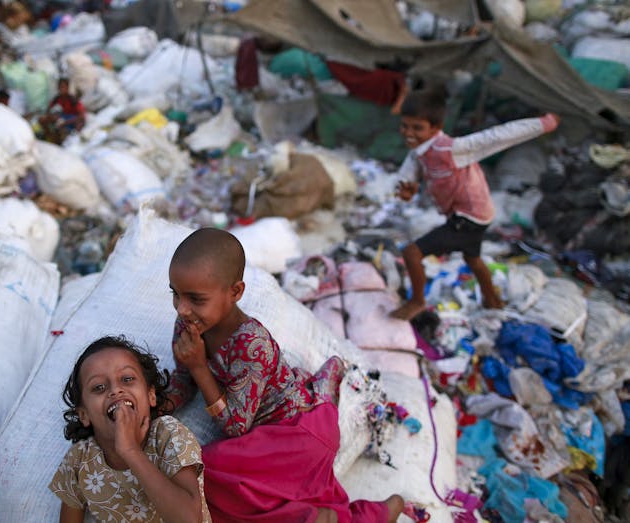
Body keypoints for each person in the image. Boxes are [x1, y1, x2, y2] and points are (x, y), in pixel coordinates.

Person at [163, 228, 404, 523]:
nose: (182, 309)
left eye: (195, 299)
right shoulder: (188, 324)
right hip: (261, 441)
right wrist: (155, 408)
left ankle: (366, 516)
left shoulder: (251, 344)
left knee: (207, 470)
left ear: (236, 292)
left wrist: (200, 366)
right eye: (175, 294)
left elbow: (236, 426)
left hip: (294, 433)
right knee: (194, 476)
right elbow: (182, 380)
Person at [389, 88, 560, 320]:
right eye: (404, 126)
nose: (409, 133)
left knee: (411, 253)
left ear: (435, 128)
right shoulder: (419, 152)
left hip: (469, 216)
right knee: (472, 258)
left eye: (417, 128)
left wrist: (544, 124)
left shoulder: (452, 149)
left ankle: (417, 302)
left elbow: (499, 135)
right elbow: (408, 173)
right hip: (471, 213)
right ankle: (492, 300)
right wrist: (405, 189)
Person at [49, 335, 211, 523]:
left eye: (127, 379)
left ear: (150, 395)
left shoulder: (168, 436)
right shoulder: (79, 461)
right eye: (99, 387)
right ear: (84, 414)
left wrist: (130, 451)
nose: (115, 390)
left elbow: (190, 519)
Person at [39, 77, 86, 144]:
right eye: (60, 87)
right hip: (61, 119)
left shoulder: (73, 100)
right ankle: (49, 137)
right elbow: (48, 111)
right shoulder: (57, 99)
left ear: (67, 88)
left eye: (64, 87)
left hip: (70, 122)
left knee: (62, 130)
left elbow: (81, 117)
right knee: (42, 119)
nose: (62, 89)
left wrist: (66, 122)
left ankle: (63, 140)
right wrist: (53, 117)